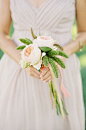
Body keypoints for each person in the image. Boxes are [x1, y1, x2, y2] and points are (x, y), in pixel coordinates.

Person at [0, 0, 86, 129]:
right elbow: (1, 33)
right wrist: (23, 61)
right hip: (18, 72)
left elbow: (84, 31)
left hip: (61, 72)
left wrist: (59, 56)